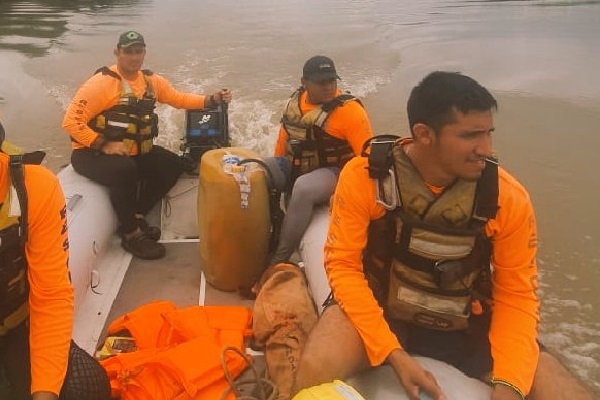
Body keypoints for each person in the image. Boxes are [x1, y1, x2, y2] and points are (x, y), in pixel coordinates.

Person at [290, 72, 596, 400]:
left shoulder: (507, 198)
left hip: (464, 323)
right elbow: (344, 268)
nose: (486, 149)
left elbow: (516, 297)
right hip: (382, 311)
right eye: (471, 136)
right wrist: (393, 354)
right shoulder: (365, 178)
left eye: (488, 133)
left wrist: (509, 387)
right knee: (315, 367)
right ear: (424, 134)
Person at [62, 30, 232, 260]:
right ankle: (131, 234)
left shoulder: (151, 82)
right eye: (128, 52)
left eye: (138, 51)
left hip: (130, 152)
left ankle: (138, 215)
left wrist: (211, 100)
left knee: (173, 163)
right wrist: (103, 144)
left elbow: (178, 98)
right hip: (90, 154)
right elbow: (71, 121)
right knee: (124, 170)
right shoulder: (100, 84)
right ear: (117, 53)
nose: (134, 57)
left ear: (144, 52)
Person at [0, 121, 109, 400]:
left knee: (84, 389)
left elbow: (50, 294)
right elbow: (73, 119)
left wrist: (45, 392)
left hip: (12, 329)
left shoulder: (32, 187)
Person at [268, 55, 373, 266]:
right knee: (257, 171)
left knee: (304, 188)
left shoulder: (350, 112)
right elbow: (283, 141)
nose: (328, 87)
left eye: (332, 81)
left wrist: (351, 197)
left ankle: (278, 259)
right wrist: (277, 173)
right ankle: (271, 227)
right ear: (304, 83)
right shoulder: (293, 104)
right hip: (297, 165)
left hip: (335, 171)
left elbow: (367, 157)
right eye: (321, 82)